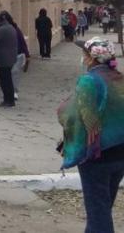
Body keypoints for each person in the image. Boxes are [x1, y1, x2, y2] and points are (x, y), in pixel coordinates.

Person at [58, 38, 124, 233]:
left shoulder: (88, 81)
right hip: (120, 155)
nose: (83, 57)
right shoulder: (119, 78)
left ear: (90, 59)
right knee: (103, 208)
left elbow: (81, 118)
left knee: (98, 213)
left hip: (96, 156)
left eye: (84, 54)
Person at [0, 12, 18, 108]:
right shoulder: (10, 27)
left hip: (4, 59)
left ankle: (8, 100)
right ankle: (9, 99)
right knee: (8, 79)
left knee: (4, 80)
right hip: (10, 58)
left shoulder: (1, 30)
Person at [2, 11, 30, 100]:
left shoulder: (16, 29)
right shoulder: (1, 30)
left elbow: (22, 41)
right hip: (7, 55)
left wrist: (27, 54)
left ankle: (14, 91)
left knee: (14, 72)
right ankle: (8, 91)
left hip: (18, 54)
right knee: (8, 74)